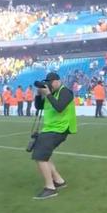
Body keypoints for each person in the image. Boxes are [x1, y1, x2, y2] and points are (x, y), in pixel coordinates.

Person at [30, 71, 75, 200]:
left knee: (39, 156)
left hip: (60, 129)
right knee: (44, 155)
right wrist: (39, 95)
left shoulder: (65, 92)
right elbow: (39, 107)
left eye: (50, 83)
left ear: (56, 81)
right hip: (50, 129)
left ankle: (50, 188)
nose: (48, 85)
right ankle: (59, 181)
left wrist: (48, 94)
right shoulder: (52, 93)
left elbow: (59, 107)